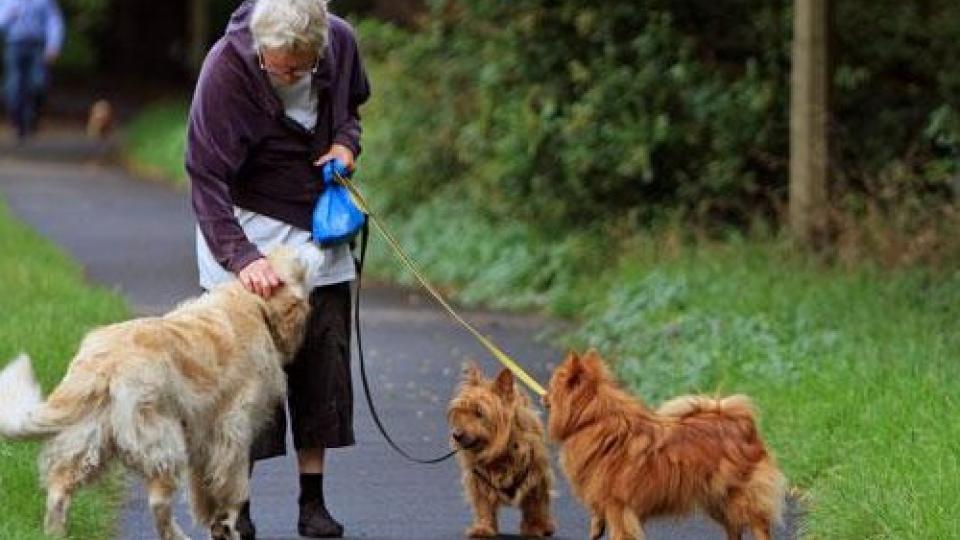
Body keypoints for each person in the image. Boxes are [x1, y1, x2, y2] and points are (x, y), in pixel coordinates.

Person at [185, 0, 370, 538]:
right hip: (243, 224)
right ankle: (237, 506)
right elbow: (205, 177)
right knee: (243, 380)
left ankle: (312, 502)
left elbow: (351, 110)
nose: (288, 75)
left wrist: (345, 143)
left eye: (299, 67)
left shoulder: (340, 41)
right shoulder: (226, 66)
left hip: (317, 225)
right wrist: (243, 260)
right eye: (278, 65)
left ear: (319, 48)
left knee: (322, 360)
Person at [0, 0, 64, 141]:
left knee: (38, 83)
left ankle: (31, 119)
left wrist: (53, 45)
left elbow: (54, 23)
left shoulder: (44, 2)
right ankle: (17, 122)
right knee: (14, 86)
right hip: (14, 45)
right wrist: (9, 14)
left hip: (37, 47)